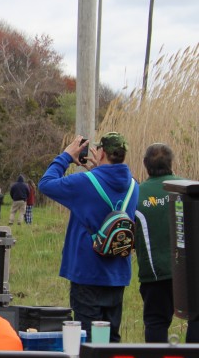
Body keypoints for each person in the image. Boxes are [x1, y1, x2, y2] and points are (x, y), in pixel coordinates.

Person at [38, 133, 138, 343]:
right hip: (117, 275)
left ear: (101, 153)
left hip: (87, 273)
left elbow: (46, 183)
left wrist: (66, 156)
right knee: (111, 339)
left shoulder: (84, 182)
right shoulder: (133, 186)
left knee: (89, 341)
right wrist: (97, 173)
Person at [134, 143, 198, 343]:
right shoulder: (191, 188)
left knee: (156, 321)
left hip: (155, 274)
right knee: (197, 318)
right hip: (191, 272)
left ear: (145, 164)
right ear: (171, 163)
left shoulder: (136, 195)